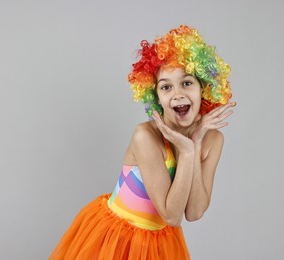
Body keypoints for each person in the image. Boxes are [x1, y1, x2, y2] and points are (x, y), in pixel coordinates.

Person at [49, 25, 236, 260]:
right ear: (156, 97)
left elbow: (195, 211)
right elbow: (171, 216)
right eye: (166, 87)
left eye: (187, 83)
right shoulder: (145, 136)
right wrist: (187, 152)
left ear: (204, 88)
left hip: (159, 244)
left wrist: (196, 144)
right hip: (116, 240)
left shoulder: (212, 139)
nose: (177, 93)